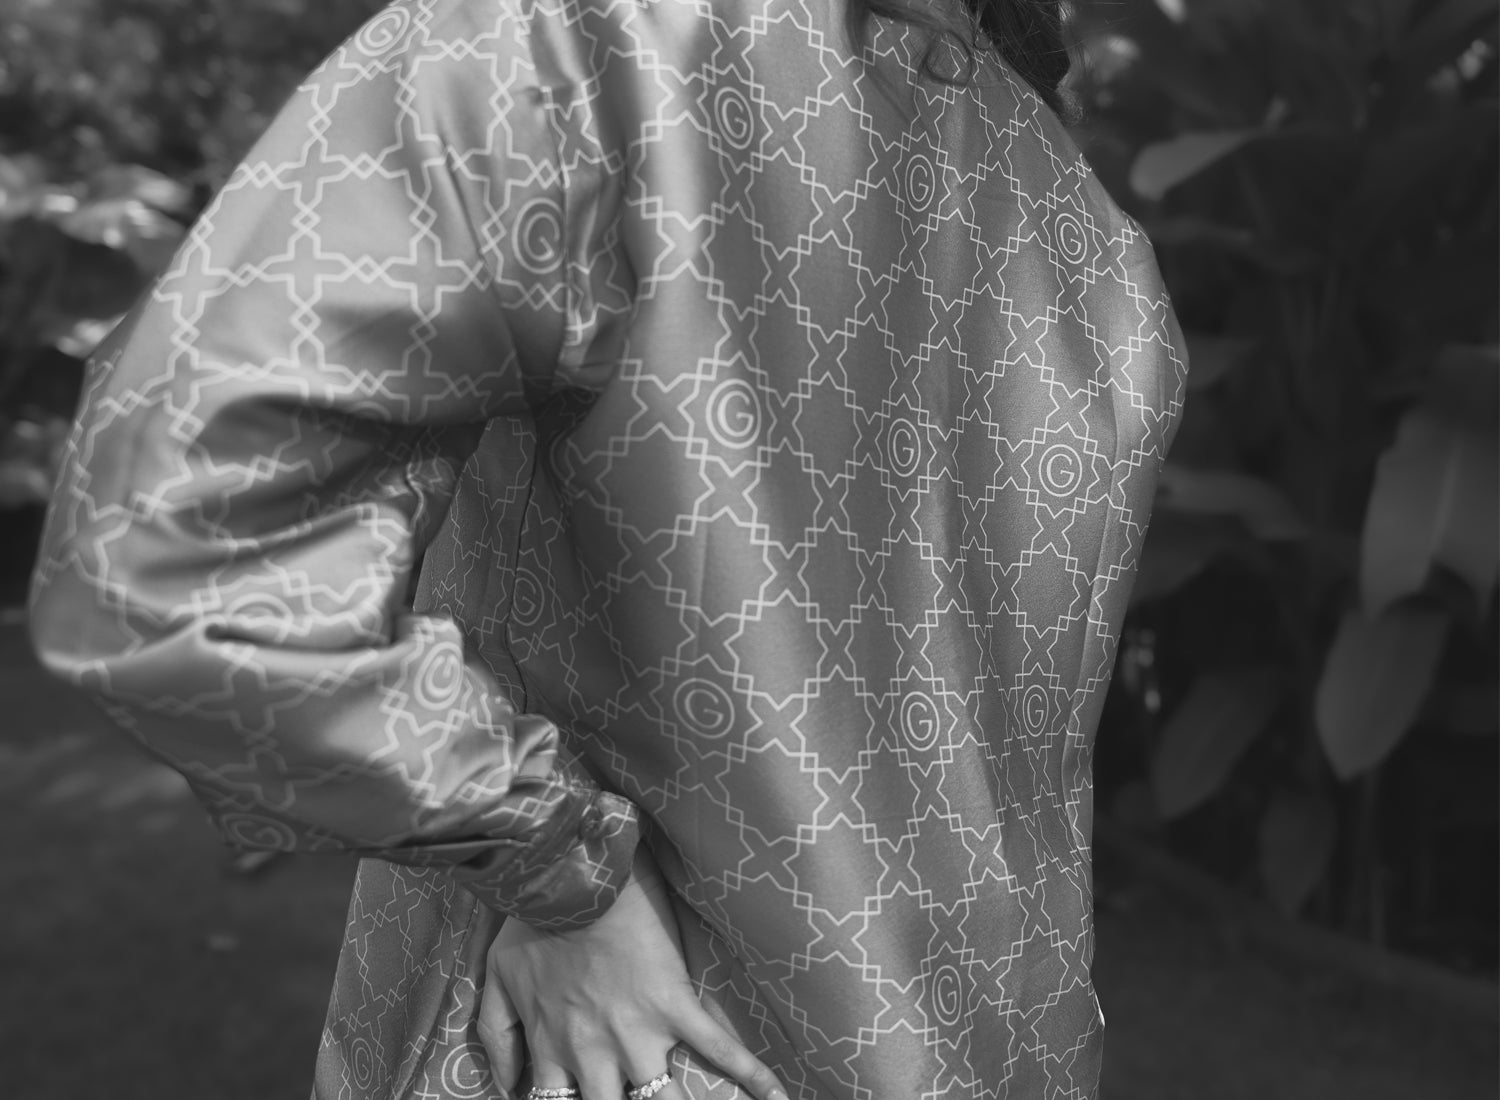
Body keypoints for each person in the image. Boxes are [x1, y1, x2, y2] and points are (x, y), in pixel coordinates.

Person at [27, 0, 1187, 1095]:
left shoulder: (585, 52)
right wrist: (553, 857)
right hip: (973, 1044)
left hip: (641, 1049)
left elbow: (164, 535)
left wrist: (557, 859)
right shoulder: (1088, 237)